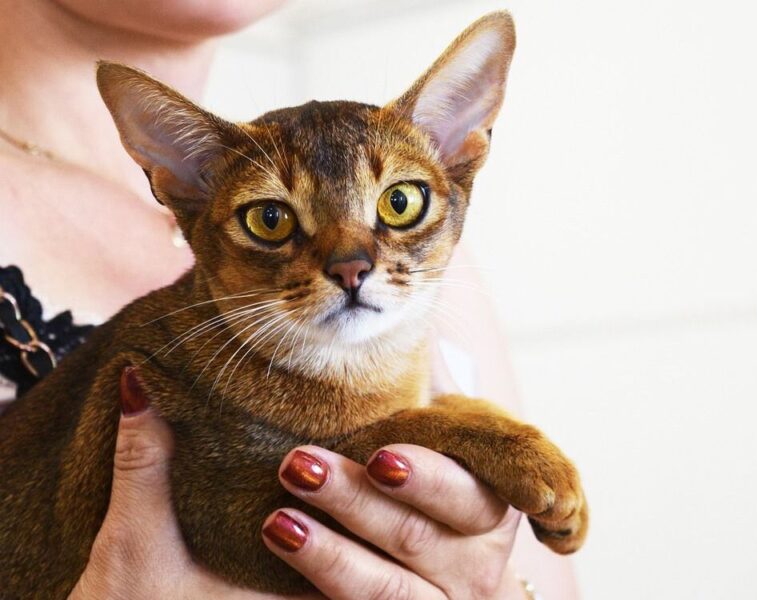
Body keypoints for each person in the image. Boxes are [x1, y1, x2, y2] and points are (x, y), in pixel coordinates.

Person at [0, 1, 579, 597]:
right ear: (178, 178)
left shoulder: (440, 283)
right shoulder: (178, 343)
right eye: (271, 219)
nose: (353, 267)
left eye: (398, 205)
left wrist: (496, 588)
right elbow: (238, 507)